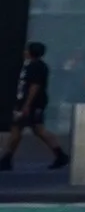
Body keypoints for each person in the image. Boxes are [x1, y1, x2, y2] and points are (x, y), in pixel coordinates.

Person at [0, 43, 67, 171]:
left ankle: (6, 159)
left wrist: (27, 105)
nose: (24, 52)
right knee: (36, 129)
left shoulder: (35, 67)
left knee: (18, 129)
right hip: (29, 103)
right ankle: (60, 155)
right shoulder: (31, 66)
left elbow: (34, 87)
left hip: (31, 104)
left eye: (26, 50)